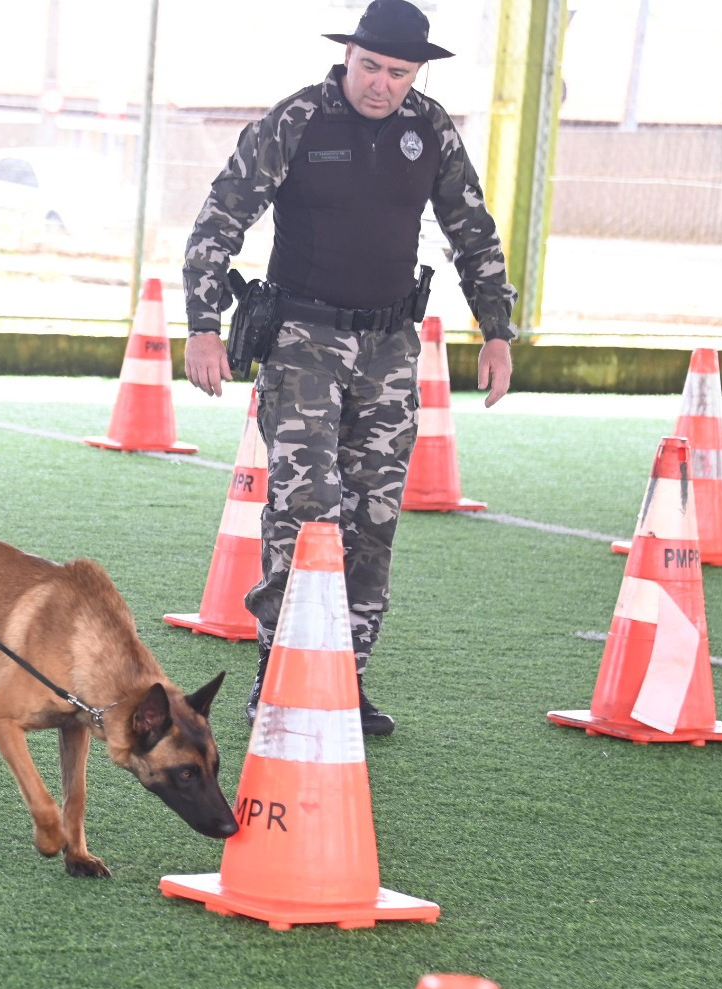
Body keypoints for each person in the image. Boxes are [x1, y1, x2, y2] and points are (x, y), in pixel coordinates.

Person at [182, 0, 515, 735]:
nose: (380, 84)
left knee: (371, 520)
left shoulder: (429, 129)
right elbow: (221, 217)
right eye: (369, 66)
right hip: (302, 337)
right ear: (348, 58)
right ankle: (279, 677)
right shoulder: (298, 119)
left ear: (415, 72)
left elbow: (472, 230)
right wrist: (202, 325)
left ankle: (343, 681)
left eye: (397, 72)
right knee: (304, 514)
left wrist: (497, 330)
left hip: (391, 346)